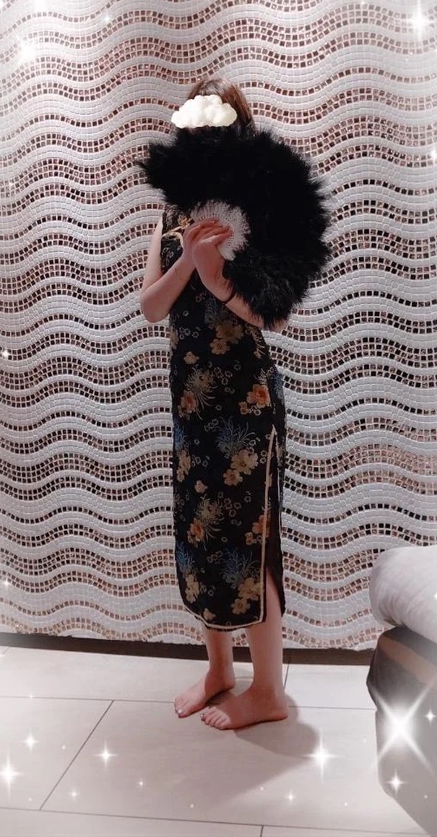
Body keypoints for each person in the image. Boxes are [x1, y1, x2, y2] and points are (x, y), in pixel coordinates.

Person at [140, 77, 288, 730]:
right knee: (201, 538)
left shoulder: (255, 211)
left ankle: (269, 690)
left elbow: (273, 314)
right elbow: (151, 306)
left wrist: (217, 277)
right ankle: (220, 670)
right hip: (191, 407)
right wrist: (187, 264)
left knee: (254, 543)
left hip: (247, 406)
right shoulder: (171, 214)